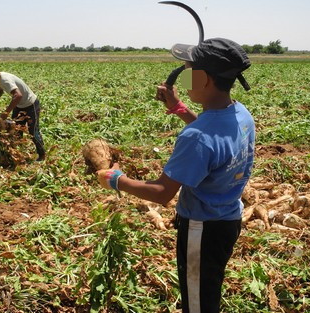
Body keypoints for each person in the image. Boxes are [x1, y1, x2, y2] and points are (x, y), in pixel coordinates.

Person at [97, 38, 255, 313]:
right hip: (228, 219)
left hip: (201, 229)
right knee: (207, 290)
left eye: (189, 72)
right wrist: (179, 108)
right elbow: (214, 140)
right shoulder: (240, 114)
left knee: (198, 305)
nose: (185, 79)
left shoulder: (198, 137)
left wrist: (116, 179)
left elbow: (163, 192)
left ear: (203, 78)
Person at [0, 67, 46, 161]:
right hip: (19, 106)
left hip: (31, 105)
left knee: (33, 131)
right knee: (16, 131)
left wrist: (6, 112)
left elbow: (18, 95)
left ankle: (42, 156)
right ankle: (18, 154)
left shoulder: (5, 80)